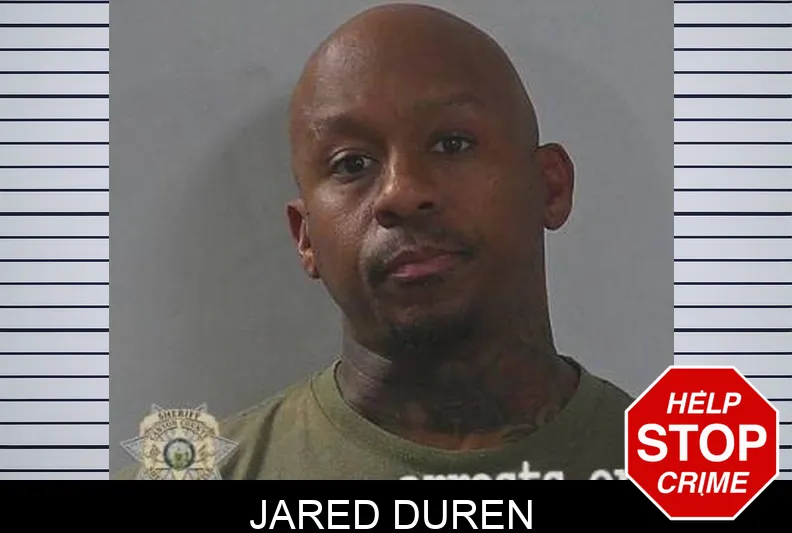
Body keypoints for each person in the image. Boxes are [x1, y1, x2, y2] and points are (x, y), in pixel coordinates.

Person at [117, 2, 633, 480]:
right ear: (305, 237)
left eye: (452, 143)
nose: (401, 194)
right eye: (352, 164)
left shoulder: (677, 470)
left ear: (550, 187)